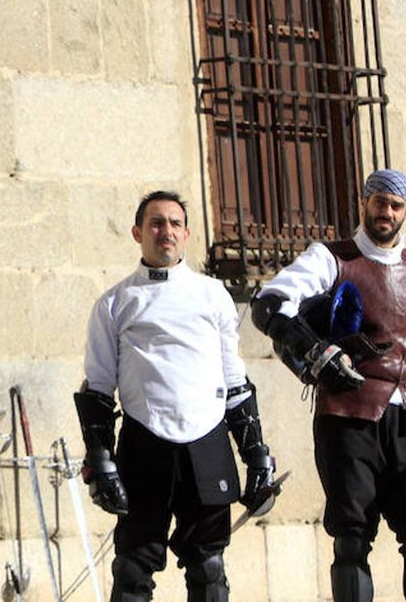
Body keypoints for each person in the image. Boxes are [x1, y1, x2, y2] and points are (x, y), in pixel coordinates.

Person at [251, 169, 406, 602]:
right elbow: (270, 304)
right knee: (352, 538)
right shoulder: (332, 258)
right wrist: (315, 351)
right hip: (348, 416)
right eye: (379, 202)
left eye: (395, 205)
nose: (386, 212)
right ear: (363, 203)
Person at [76, 190, 276, 602]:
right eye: (155, 223)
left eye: (174, 223)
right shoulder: (114, 303)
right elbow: (97, 387)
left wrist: (256, 456)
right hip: (145, 443)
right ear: (137, 232)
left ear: (187, 234)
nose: (165, 231)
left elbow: (235, 380)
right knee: (132, 569)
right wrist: (102, 461)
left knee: (209, 568)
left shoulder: (212, 294)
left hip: (207, 441)